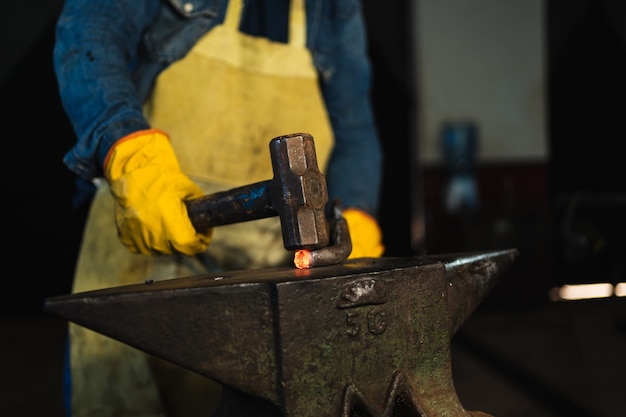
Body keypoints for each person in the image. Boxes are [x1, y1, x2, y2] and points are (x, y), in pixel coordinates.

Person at [53, 0, 384, 416]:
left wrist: (357, 209)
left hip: (275, 265)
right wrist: (125, 147)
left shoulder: (333, 8)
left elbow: (355, 125)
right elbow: (88, 31)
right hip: (148, 228)